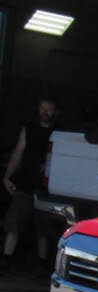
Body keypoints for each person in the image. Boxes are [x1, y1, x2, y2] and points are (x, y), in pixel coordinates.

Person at [1, 97, 57, 276]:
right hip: (25, 182)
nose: (45, 113)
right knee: (14, 223)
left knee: (43, 228)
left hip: (46, 187)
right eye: (42, 108)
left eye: (48, 109)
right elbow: (18, 153)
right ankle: (6, 260)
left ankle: (41, 266)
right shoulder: (29, 129)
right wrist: (7, 177)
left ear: (55, 112)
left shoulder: (58, 134)